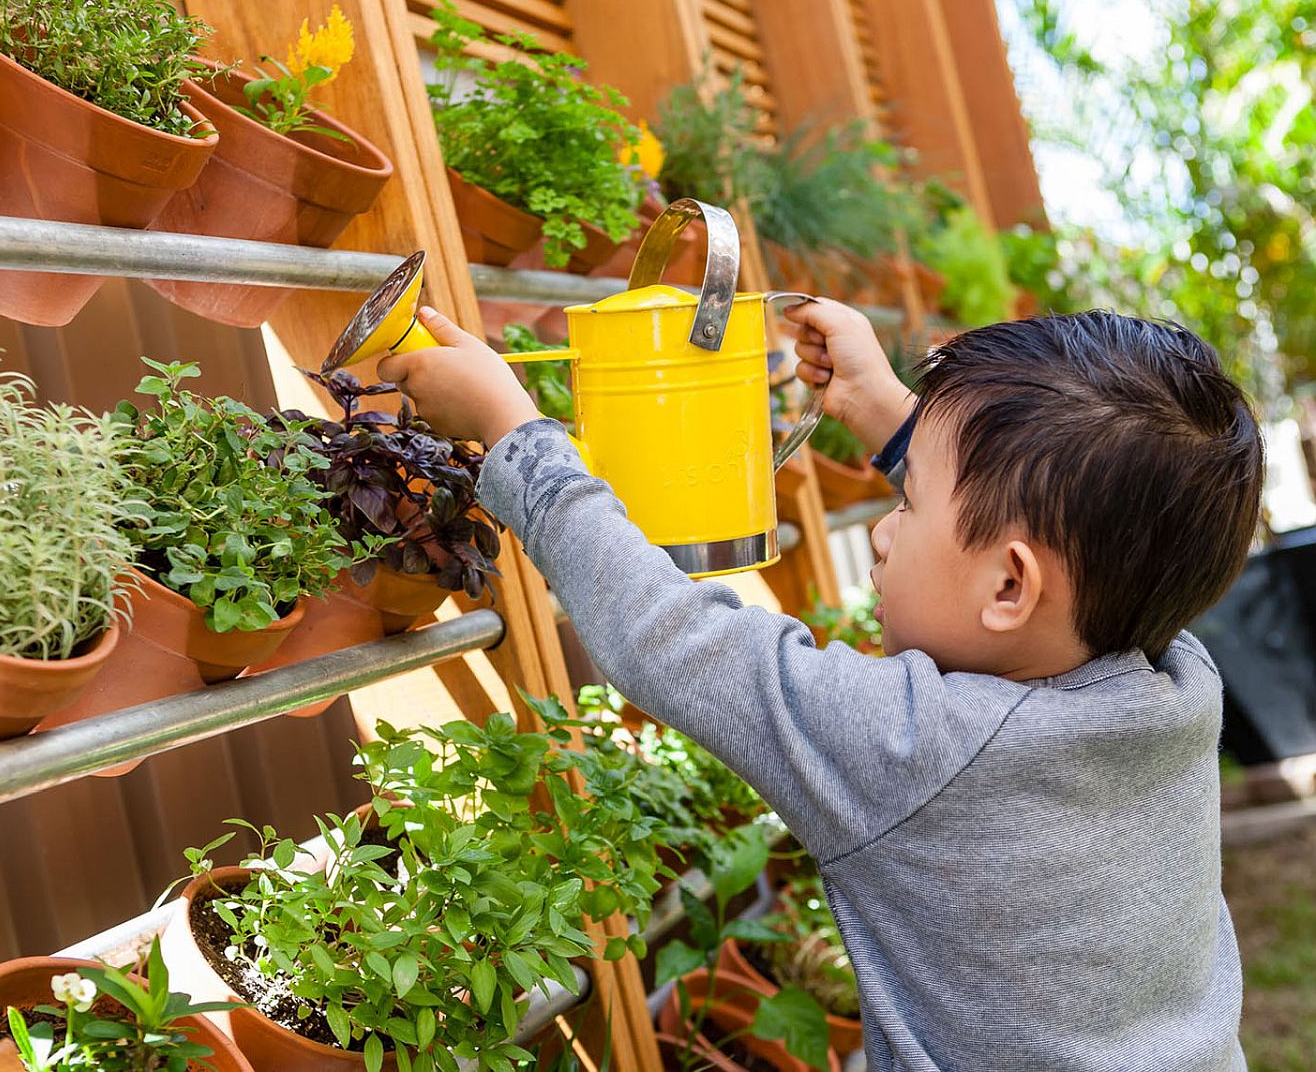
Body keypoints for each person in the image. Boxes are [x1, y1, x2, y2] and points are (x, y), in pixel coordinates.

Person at [377, 298, 1262, 1072]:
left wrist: (513, 431)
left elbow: (667, 637)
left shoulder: (918, 748)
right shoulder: (1176, 678)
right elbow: (1089, 541)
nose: (881, 534)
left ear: (1009, 587)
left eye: (908, 503)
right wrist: (885, 414)